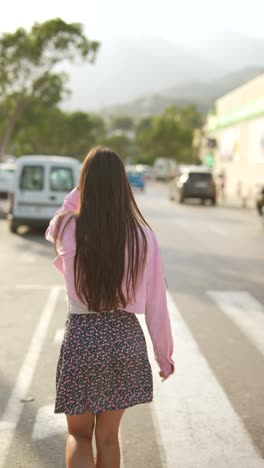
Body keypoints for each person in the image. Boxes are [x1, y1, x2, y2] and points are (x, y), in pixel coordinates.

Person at [45, 146, 174, 468]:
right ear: (123, 186)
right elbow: (157, 301)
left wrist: (84, 188)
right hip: (125, 340)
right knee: (107, 438)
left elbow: (65, 209)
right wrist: (164, 356)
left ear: (85, 183)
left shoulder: (65, 227)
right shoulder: (144, 236)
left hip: (83, 340)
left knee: (79, 436)